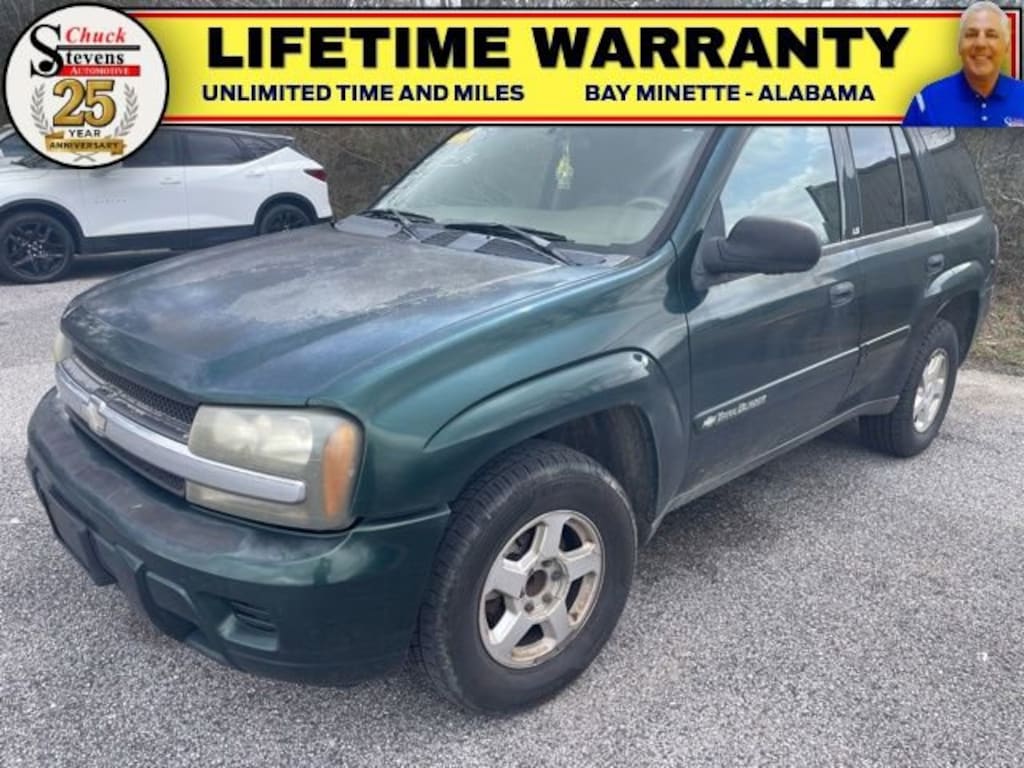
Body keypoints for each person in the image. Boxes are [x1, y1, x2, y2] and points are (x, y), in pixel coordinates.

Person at [904, 1, 1024, 127]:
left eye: (991, 35)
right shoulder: (927, 103)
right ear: (959, 45)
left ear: (1006, 47)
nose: (980, 43)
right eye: (971, 35)